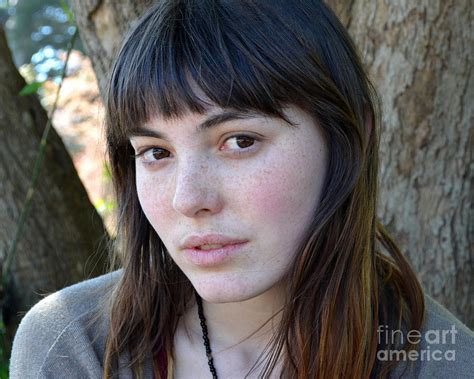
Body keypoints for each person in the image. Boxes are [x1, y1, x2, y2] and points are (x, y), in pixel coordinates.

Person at [9, 1, 474, 378]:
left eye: (240, 141)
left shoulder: (443, 363)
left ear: (349, 139)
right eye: (155, 152)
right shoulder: (71, 347)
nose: (188, 199)